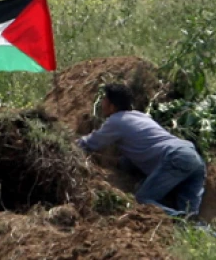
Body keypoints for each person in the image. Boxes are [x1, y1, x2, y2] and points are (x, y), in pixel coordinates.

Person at [76, 83, 206, 218]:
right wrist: (116, 163)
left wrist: (69, 144)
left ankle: (178, 218)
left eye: (104, 100)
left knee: (143, 199)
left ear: (112, 106)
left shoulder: (116, 121)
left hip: (175, 157)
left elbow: (90, 143)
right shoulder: (141, 116)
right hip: (192, 155)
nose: (102, 103)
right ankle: (203, 230)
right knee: (191, 215)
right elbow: (140, 153)